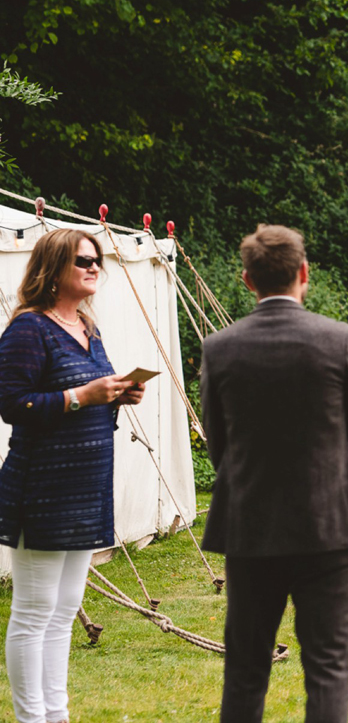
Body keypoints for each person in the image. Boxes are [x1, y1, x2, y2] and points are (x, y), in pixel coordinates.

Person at [200, 225, 348, 722]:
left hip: (250, 523)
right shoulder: (338, 339)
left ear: (246, 280)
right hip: (330, 523)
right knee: (328, 663)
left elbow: (218, 442)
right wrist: (336, 482)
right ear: (304, 274)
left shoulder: (220, 347)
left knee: (245, 666)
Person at [0, 229, 144, 723]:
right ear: (54, 267)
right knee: (34, 612)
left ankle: (56, 716)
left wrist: (117, 395)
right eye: (83, 259)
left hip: (86, 486)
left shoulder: (88, 326)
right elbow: (11, 404)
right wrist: (83, 396)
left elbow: (87, 400)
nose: (94, 267)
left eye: (97, 260)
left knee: (64, 611)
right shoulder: (28, 329)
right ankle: (30, 719)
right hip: (42, 488)